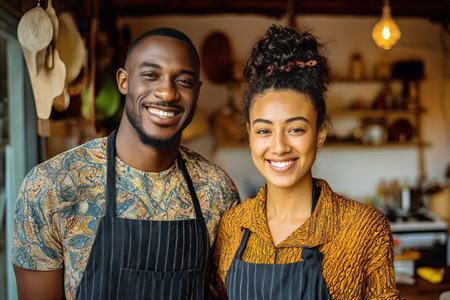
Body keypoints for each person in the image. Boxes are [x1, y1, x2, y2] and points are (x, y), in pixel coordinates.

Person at [12, 27, 240, 300]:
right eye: (150, 75)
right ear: (123, 81)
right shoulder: (52, 185)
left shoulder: (217, 191)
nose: (167, 92)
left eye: (184, 81)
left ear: (197, 92)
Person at [210, 25, 403, 299]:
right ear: (250, 136)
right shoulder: (232, 226)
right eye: (264, 130)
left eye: (296, 129)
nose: (279, 146)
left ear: (320, 133)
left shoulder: (363, 228)